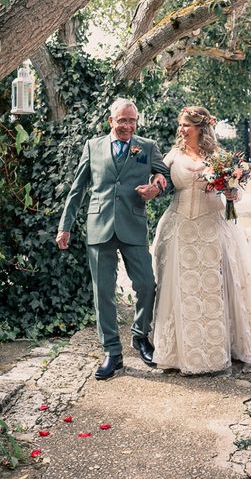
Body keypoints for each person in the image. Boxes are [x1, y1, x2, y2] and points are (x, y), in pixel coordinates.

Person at [151, 106, 251, 375]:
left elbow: (235, 190)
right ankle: (181, 351)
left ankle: (225, 345)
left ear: (201, 128)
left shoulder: (217, 157)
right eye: (181, 124)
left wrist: (234, 194)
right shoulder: (173, 155)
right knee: (182, 286)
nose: (181, 129)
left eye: (186, 124)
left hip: (213, 225)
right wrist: (151, 186)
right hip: (180, 227)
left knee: (219, 285)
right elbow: (157, 179)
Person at [56, 98, 169, 380]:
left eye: (132, 121)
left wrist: (155, 188)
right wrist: (65, 226)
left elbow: (164, 175)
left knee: (146, 284)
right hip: (99, 225)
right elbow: (78, 189)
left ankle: (140, 335)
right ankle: (112, 352)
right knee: (103, 293)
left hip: (133, 224)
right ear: (111, 121)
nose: (127, 126)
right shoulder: (93, 147)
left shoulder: (147, 146)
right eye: (122, 121)